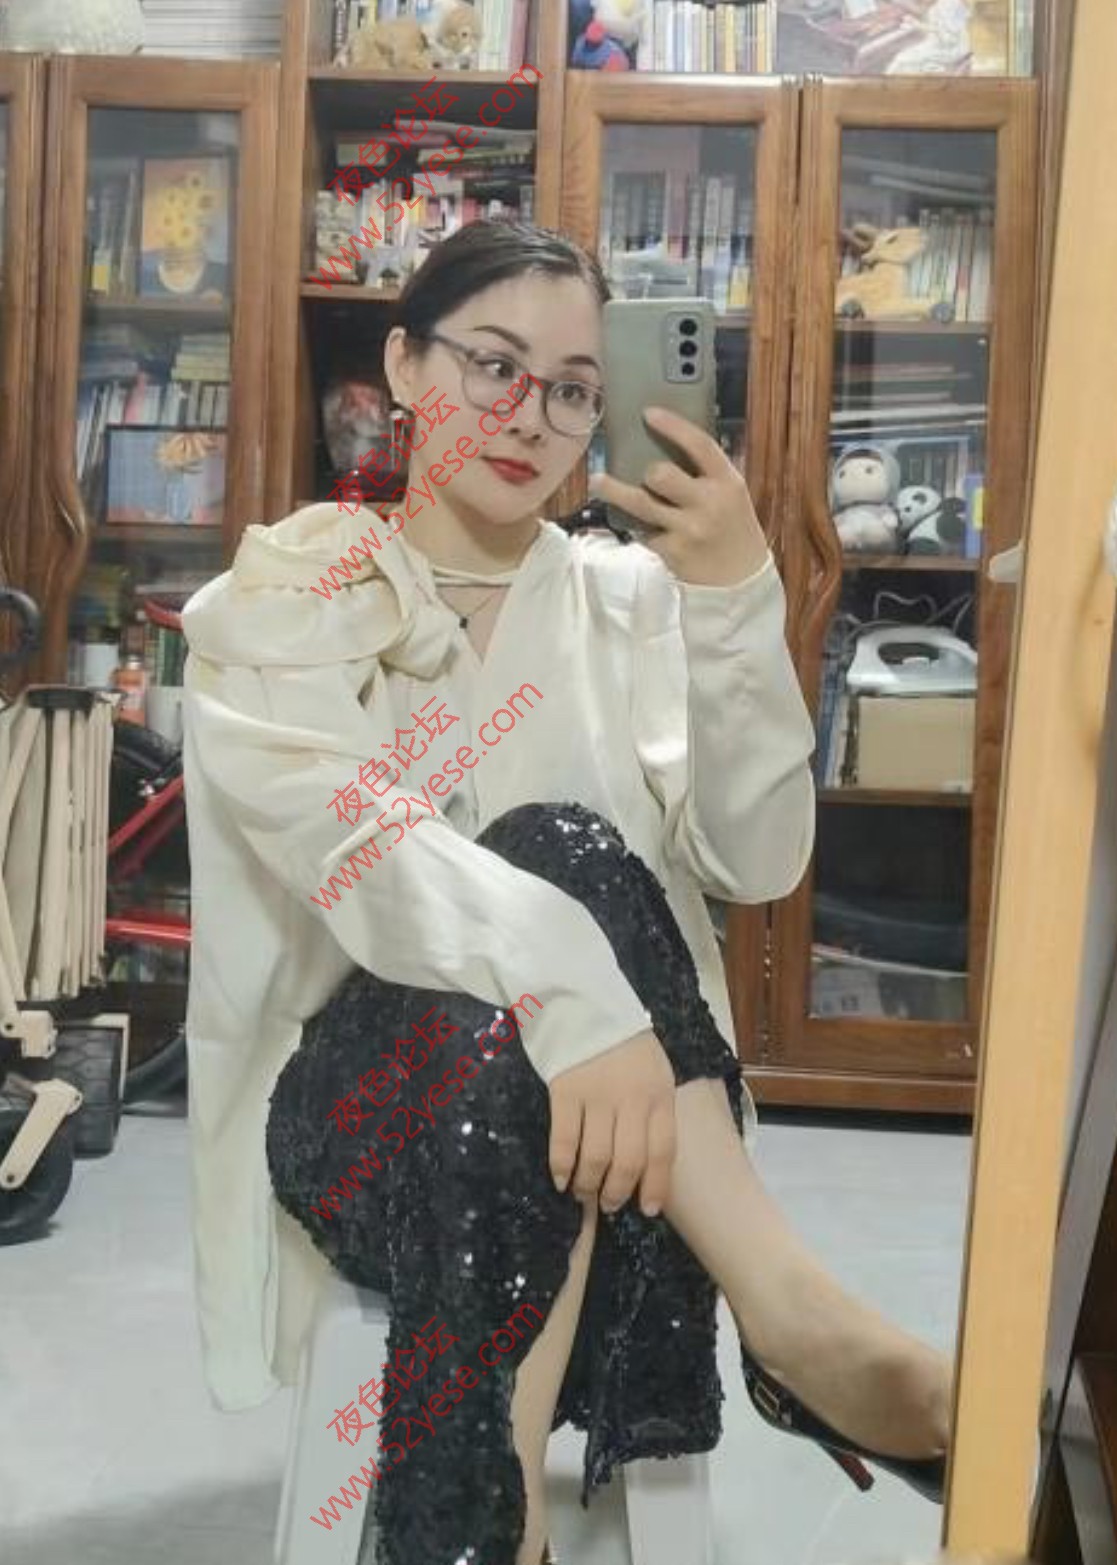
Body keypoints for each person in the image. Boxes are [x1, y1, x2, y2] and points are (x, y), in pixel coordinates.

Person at [181, 219, 951, 1565]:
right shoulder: (292, 595)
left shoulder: (631, 600)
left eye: (575, 387)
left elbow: (757, 860)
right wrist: (577, 999)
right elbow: (364, 851)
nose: (529, 415)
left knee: (559, 870)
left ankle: (491, 1527)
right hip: (366, 1121)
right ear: (404, 363)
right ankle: (793, 1322)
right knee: (556, 855)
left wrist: (735, 601)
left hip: (629, 1135)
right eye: (492, 365)